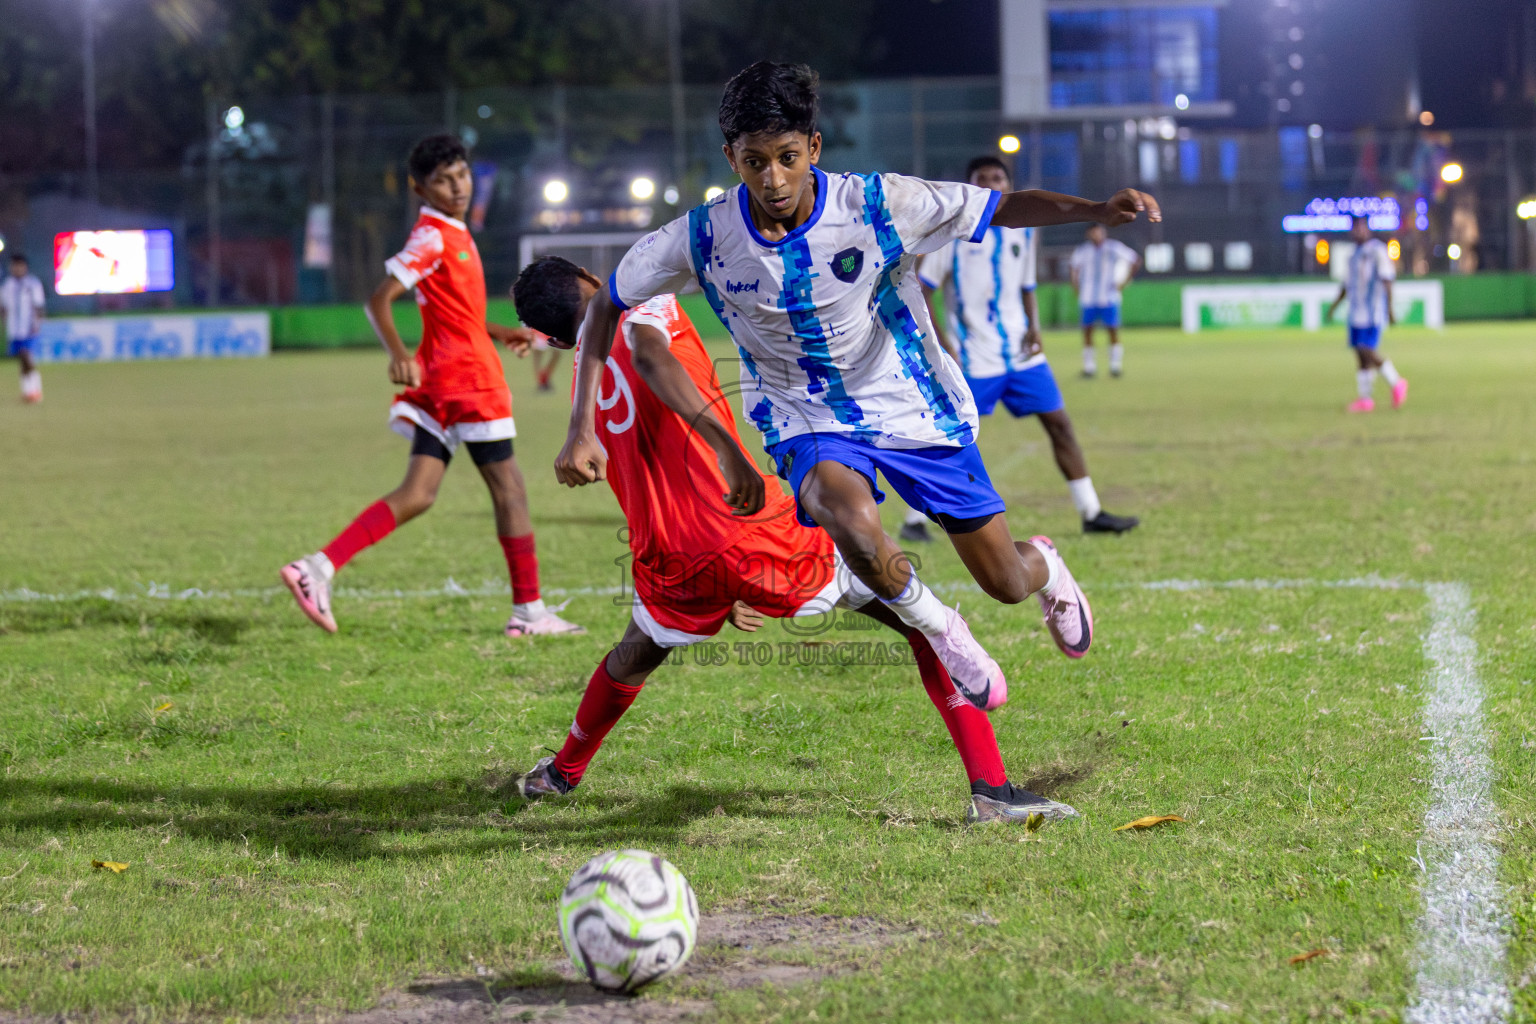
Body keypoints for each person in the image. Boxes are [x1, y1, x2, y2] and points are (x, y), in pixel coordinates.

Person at [555, 61, 1160, 712]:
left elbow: (1000, 207)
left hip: (909, 403)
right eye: (754, 161)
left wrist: (1096, 209)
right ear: (732, 157)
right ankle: (943, 629)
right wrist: (580, 426)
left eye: (787, 157)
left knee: (1006, 581)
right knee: (843, 514)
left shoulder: (876, 203)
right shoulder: (701, 237)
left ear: (813, 148)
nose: (773, 178)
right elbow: (604, 308)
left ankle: (1047, 564)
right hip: (804, 415)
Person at [510, 255, 1080, 823]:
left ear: (559, 343)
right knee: (916, 620)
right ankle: (992, 791)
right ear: (593, 279)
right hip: (750, 531)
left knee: (635, 652)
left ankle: (562, 771)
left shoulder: (584, 380)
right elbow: (652, 355)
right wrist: (728, 450)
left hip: (671, 553)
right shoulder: (639, 305)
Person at [280, 134, 582, 638]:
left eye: (461, 174)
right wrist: (398, 353)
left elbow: (458, 313)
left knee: (418, 493)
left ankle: (317, 568)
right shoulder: (434, 235)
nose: (457, 186)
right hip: (467, 381)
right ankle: (529, 613)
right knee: (511, 490)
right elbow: (379, 299)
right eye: (442, 180)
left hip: (448, 377)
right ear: (419, 188)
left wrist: (502, 331)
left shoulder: (454, 232)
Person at [900, 155, 1139, 543]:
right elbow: (924, 289)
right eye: (983, 178)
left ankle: (1091, 512)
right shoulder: (952, 234)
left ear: (1010, 184)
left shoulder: (1024, 232)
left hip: (1022, 353)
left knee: (1059, 424)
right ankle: (914, 520)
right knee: (947, 435)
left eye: (999, 177)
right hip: (973, 356)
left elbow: (1027, 285)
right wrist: (942, 346)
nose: (993, 183)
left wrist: (1035, 327)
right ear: (972, 187)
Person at [1328, 215, 1408, 413]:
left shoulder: (1377, 251)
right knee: (1359, 354)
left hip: (1372, 311)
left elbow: (1387, 280)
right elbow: (1346, 286)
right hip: (1355, 312)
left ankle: (1396, 381)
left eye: (1361, 227)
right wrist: (1334, 307)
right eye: (1355, 228)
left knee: (1366, 349)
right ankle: (1366, 399)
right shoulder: (1352, 256)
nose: (1358, 231)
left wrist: (1389, 309)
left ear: (1367, 229)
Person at [1068, 224, 1139, 378]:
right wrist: (1076, 287)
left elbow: (1135, 259)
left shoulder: (1113, 247)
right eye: (1093, 231)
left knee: (1112, 330)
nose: (1097, 234)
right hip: (1088, 298)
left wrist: (1124, 281)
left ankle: (1115, 366)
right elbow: (1073, 267)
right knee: (1087, 331)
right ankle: (1089, 367)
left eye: (1099, 231)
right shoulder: (1083, 250)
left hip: (1109, 296)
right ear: (1088, 233)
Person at [1, 253, 45, 403]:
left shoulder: (33, 284)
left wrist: (38, 324)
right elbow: (4, 307)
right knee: (21, 359)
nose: (17, 268)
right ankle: (28, 390)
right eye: (14, 266)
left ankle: (36, 389)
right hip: (14, 329)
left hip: (29, 328)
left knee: (26, 356)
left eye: (19, 265)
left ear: (25, 267)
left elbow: (39, 306)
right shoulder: (7, 285)